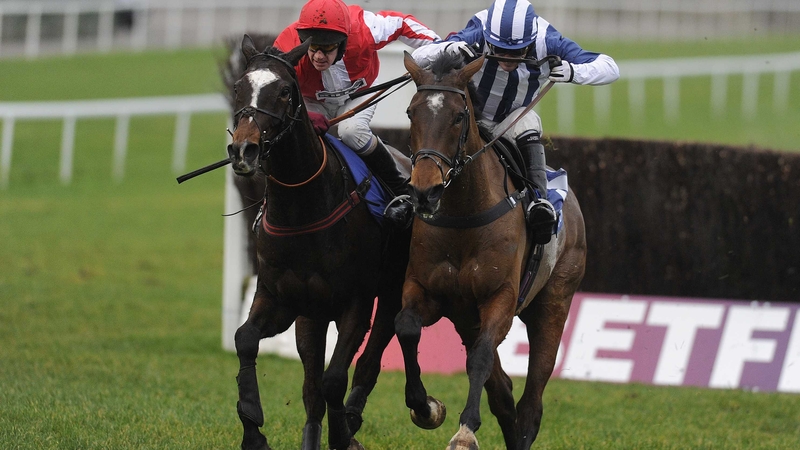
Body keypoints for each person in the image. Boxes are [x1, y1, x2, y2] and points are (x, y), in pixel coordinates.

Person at [412, 0, 619, 244]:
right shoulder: (478, 30)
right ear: (490, 37)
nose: (507, 59)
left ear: (531, 41)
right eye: (499, 49)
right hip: (468, 124)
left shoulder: (548, 39)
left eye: (517, 52)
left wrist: (574, 72)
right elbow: (418, 56)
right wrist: (452, 48)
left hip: (511, 123)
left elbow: (610, 67)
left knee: (529, 121)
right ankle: (410, 196)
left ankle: (539, 201)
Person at [274, 0, 440, 227]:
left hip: (359, 93)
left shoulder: (365, 29)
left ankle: (400, 190)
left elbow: (403, 24)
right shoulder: (287, 43)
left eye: (328, 48)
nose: (318, 57)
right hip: (311, 101)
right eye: (313, 48)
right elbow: (271, 86)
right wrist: (305, 114)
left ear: (343, 43)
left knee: (351, 131)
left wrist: (440, 46)